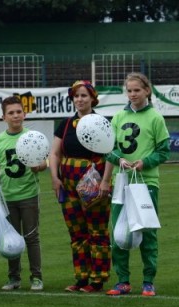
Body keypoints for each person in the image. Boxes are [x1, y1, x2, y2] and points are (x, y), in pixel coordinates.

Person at [105, 72, 170, 297]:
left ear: (147, 91)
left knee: (147, 232)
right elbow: (108, 149)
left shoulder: (155, 118)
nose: (133, 94)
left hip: (146, 183)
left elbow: (164, 151)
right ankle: (123, 281)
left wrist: (145, 162)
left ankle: (148, 280)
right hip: (121, 182)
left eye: (137, 90)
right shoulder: (118, 117)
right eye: (129, 90)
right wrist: (118, 160)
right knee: (118, 233)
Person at [48, 80, 112, 293]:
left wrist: (105, 181)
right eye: (76, 96)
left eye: (84, 95)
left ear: (93, 98)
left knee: (97, 231)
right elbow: (55, 153)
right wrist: (55, 178)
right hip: (67, 183)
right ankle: (81, 278)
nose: (80, 99)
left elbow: (110, 153)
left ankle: (97, 279)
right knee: (77, 233)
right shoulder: (65, 124)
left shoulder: (103, 122)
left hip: (93, 180)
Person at [0, 96, 46, 291]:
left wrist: (40, 166)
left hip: (29, 194)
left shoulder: (32, 136)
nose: (15, 116)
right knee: (10, 239)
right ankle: (14, 278)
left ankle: (36, 277)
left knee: (31, 237)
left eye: (18, 112)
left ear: (24, 113)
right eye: (11, 113)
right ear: (3, 116)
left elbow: (44, 162)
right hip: (7, 198)